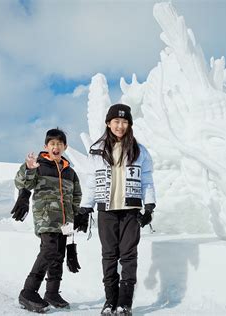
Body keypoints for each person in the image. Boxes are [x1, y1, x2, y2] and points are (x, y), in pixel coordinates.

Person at [74, 103, 156, 316]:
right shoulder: (97, 150)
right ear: (108, 123)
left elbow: (147, 180)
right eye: (116, 121)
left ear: (129, 125)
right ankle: (109, 302)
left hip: (130, 210)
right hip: (107, 211)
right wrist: (85, 209)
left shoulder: (139, 151)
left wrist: (149, 206)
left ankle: (124, 303)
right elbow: (92, 182)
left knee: (129, 255)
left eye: (125, 122)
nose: (120, 126)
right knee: (109, 255)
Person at [12, 128, 82, 313]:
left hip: (65, 222)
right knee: (49, 250)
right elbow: (23, 183)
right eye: (52, 144)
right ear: (46, 146)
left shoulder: (70, 172)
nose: (56, 147)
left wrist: (76, 216)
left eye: (59, 143)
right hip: (46, 218)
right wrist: (27, 168)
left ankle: (52, 292)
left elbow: (76, 195)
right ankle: (28, 291)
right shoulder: (39, 165)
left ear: (65, 146)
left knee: (59, 255)